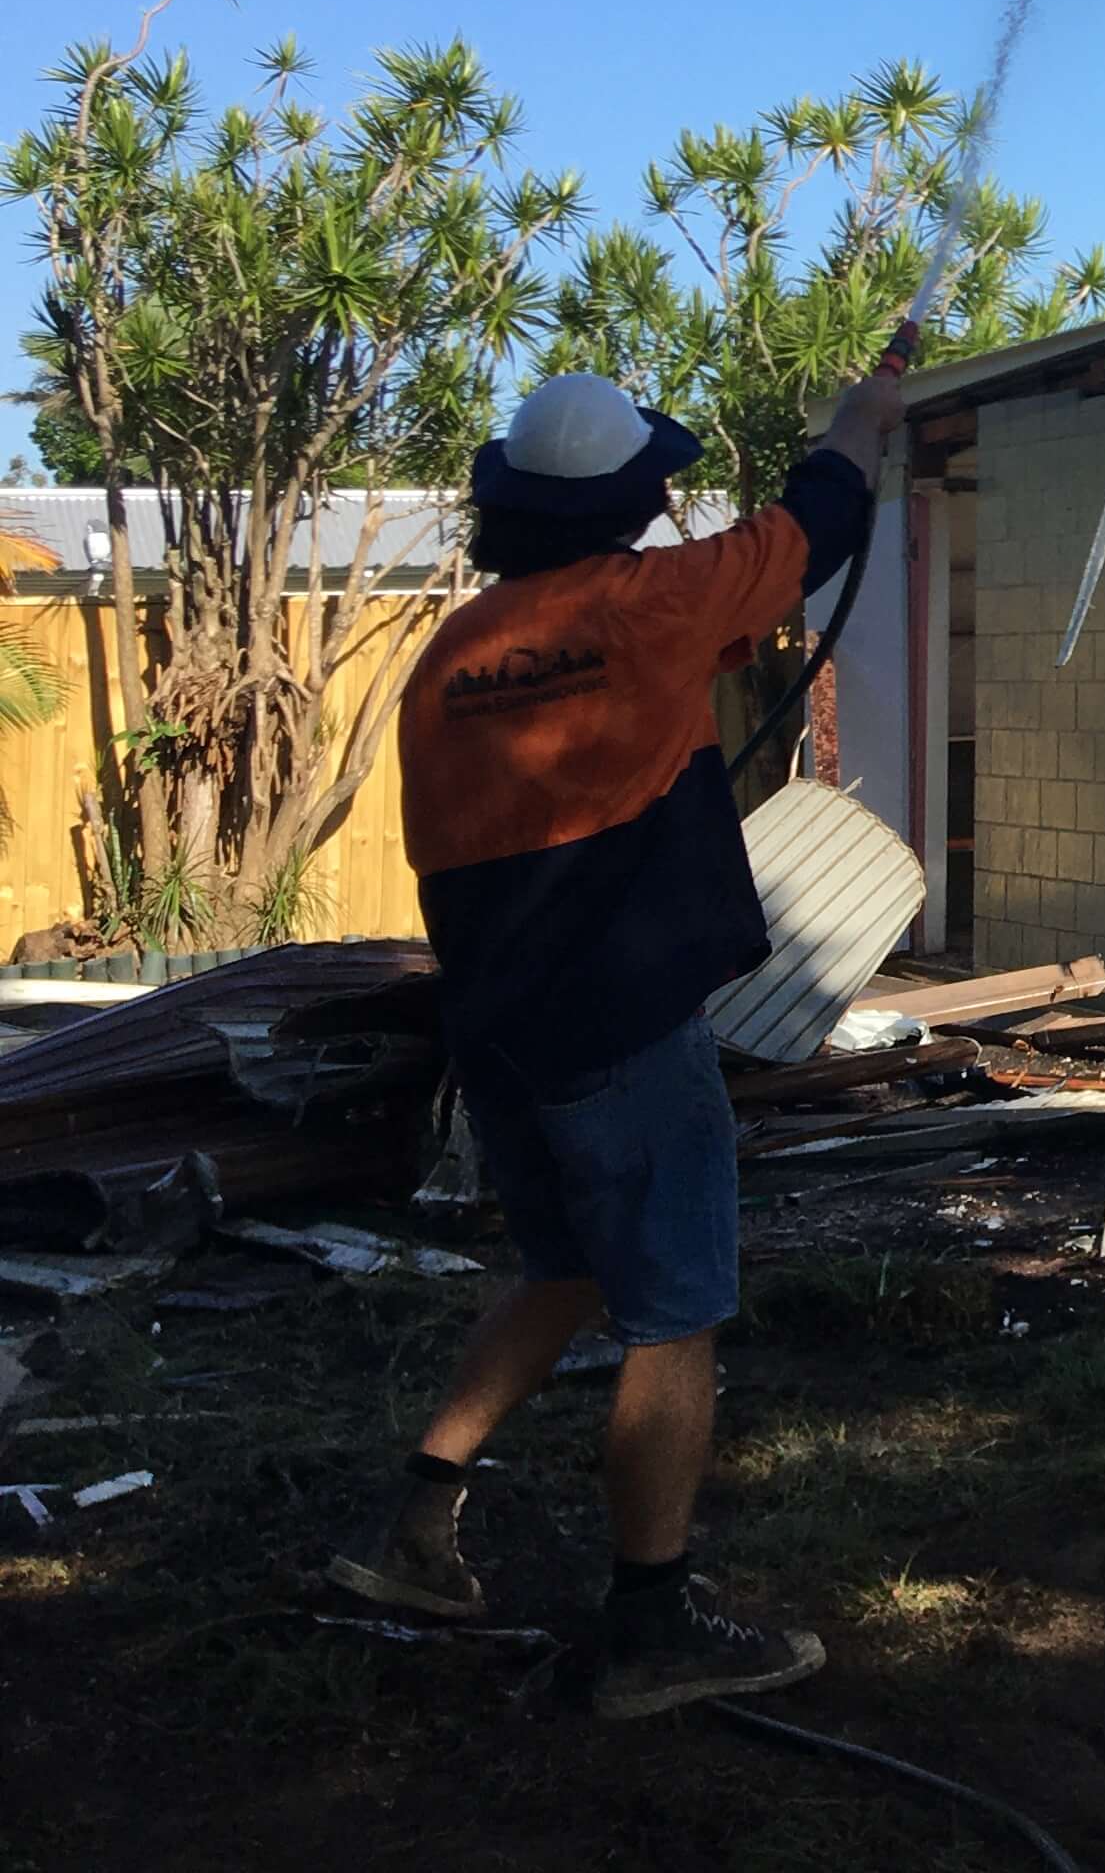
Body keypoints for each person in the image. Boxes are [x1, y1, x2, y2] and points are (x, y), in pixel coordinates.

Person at [327, 364, 902, 1717]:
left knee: (568, 1265)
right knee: (678, 1309)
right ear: (637, 498)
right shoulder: (648, 604)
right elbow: (813, 523)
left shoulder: (459, 652)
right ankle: (652, 1623)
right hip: (622, 1024)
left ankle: (414, 1528)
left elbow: (616, 691)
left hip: (501, 1027)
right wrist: (858, 432)